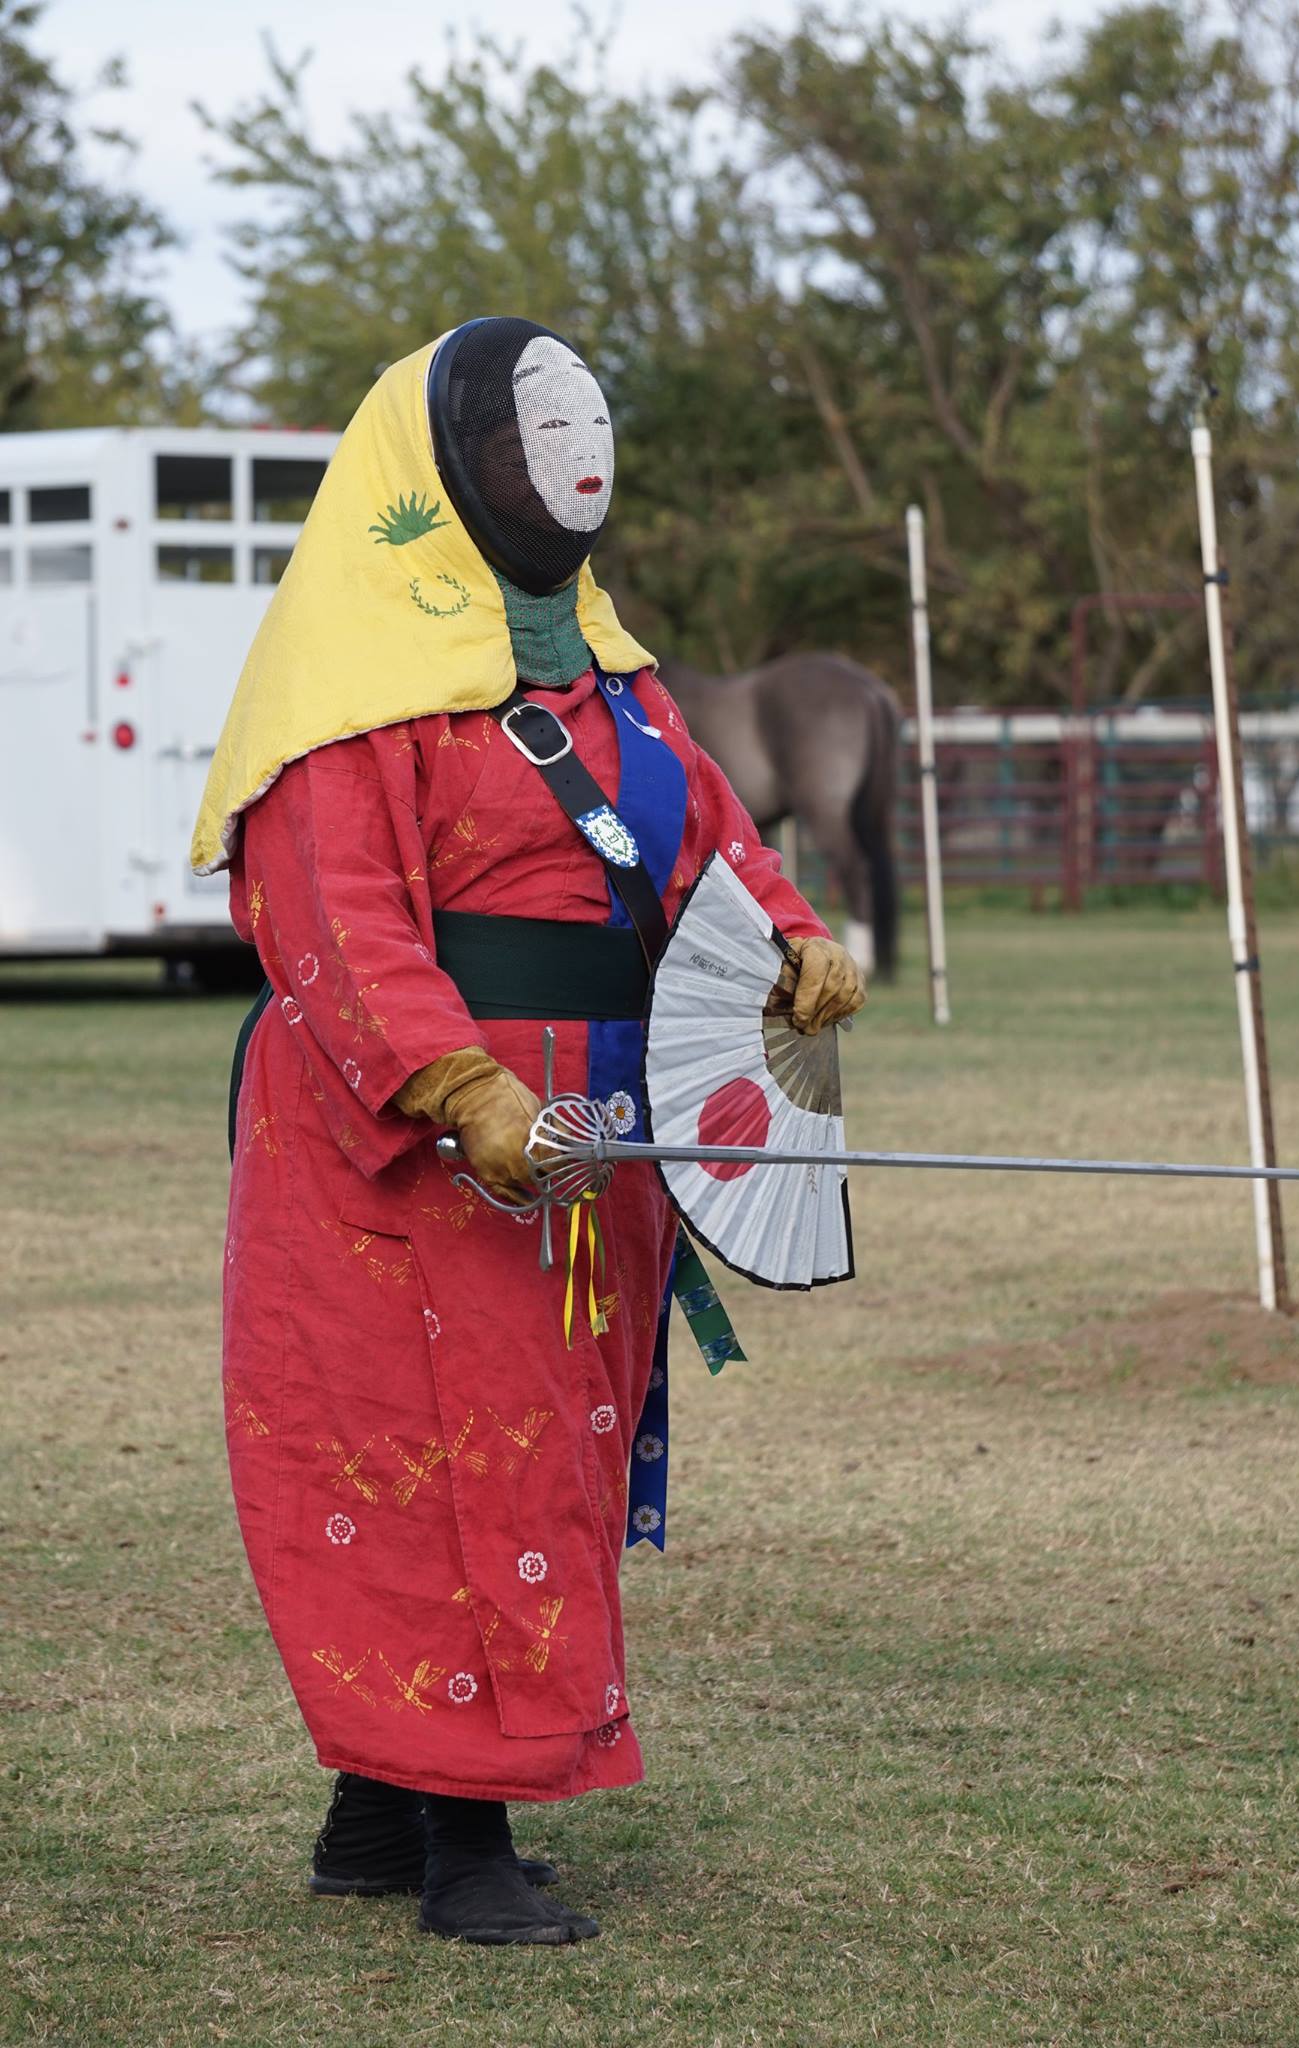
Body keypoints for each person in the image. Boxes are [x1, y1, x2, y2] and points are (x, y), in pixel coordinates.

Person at [191, 316, 866, 1947]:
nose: (572, 457)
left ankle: (379, 1812)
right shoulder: (346, 696)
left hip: (597, 1138)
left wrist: (791, 932)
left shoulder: (610, 674)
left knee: (546, 1457)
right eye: (527, 433)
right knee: (440, 1467)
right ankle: (461, 1840)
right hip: (418, 1151)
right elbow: (334, 916)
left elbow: (703, 838)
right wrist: (460, 1086)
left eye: (583, 424)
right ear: (436, 470)